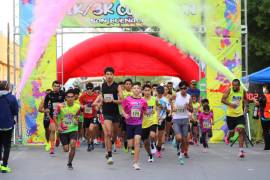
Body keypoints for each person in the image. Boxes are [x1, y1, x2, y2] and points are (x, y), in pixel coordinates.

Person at [96, 67, 123, 165]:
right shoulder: (102, 85)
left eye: (111, 74)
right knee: (108, 133)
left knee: (114, 135)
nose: (109, 76)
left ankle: (111, 144)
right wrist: (100, 103)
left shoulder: (117, 86)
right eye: (107, 74)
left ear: (113, 75)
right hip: (106, 113)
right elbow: (102, 98)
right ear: (105, 75)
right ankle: (110, 155)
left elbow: (122, 100)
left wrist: (113, 101)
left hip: (115, 113)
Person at [122, 82, 148, 170]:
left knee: (137, 142)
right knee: (130, 145)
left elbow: (145, 111)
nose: (136, 89)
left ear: (140, 90)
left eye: (138, 88)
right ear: (132, 90)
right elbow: (123, 110)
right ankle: (128, 145)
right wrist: (125, 115)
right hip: (129, 124)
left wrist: (148, 113)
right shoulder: (127, 99)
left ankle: (136, 162)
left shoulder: (143, 101)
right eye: (134, 88)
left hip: (138, 124)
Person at [54, 89, 81, 170]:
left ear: (74, 98)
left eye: (71, 97)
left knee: (73, 145)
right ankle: (58, 136)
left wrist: (77, 120)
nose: (70, 98)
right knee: (66, 149)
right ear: (65, 98)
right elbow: (54, 116)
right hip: (63, 129)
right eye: (68, 97)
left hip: (73, 128)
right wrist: (58, 126)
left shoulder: (78, 106)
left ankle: (69, 163)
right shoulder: (60, 106)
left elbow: (78, 116)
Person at [221, 79, 248, 158]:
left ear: (239, 85)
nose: (235, 87)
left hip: (239, 115)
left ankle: (241, 151)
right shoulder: (229, 90)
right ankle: (228, 137)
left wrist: (246, 108)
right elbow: (222, 100)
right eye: (234, 85)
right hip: (230, 115)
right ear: (232, 85)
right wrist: (231, 104)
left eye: (237, 85)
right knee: (232, 133)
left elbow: (246, 100)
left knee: (240, 130)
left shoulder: (242, 91)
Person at [171, 81, 193, 165]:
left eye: (185, 88)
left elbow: (191, 109)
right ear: (179, 89)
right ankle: (178, 145)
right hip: (176, 119)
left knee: (185, 138)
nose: (183, 90)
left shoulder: (189, 97)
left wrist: (188, 107)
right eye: (181, 89)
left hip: (185, 119)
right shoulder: (176, 95)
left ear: (187, 88)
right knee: (179, 137)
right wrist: (173, 107)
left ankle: (184, 151)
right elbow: (170, 100)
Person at [0, 80, 19, 173]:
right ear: (8, 88)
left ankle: (0, 162)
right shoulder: (12, 98)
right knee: (7, 145)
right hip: (8, 124)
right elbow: (15, 111)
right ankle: (4, 166)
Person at [44, 80, 65, 155]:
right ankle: (52, 148)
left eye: (58, 86)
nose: (56, 87)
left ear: (60, 87)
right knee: (52, 130)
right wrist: (46, 108)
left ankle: (58, 138)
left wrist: (63, 105)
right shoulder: (49, 94)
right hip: (53, 114)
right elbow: (45, 102)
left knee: (59, 130)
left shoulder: (63, 93)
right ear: (52, 86)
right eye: (55, 86)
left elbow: (67, 100)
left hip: (61, 115)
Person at [142, 84, 158, 162]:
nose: (147, 92)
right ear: (143, 91)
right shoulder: (141, 100)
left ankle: (153, 144)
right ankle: (150, 155)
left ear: (151, 91)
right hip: (144, 122)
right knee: (145, 142)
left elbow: (158, 107)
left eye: (148, 90)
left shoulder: (154, 99)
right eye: (145, 90)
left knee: (152, 135)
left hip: (153, 120)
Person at [79, 82, 98, 152]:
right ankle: (89, 143)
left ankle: (91, 141)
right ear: (86, 89)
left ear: (92, 89)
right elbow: (80, 104)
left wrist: (94, 105)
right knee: (87, 132)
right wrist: (83, 106)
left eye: (90, 88)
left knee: (91, 129)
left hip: (93, 115)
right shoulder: (83, 96)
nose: (89, 90)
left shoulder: (96, 96)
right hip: (86, 116)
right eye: (88, 89)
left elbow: (99, 103)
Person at [156, 86, 170, 158]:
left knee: (160, 137)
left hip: (162, 119)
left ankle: (158, 150)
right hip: (154, 119)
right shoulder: (153, 99)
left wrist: (163, 107)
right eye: (158, 93)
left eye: (161, 93)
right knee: (154, 134)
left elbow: (168, 110)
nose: (159, 95)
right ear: (156, 92)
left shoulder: (165, 100)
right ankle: (153, 146)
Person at [120, 78, 133, 153]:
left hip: (133, 116)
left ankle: (133, 147)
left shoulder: (134, 92)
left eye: (129, 84)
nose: (128, 85)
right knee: (124, 132)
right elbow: (121, 102)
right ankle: (125, 144)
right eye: (126, 84)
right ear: (124, 85)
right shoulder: (122, 93)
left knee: (133, 131)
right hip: (124, 115)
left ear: (131, 85)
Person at [255, 85, 270, 150]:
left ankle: (267, 146)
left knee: (265, 131)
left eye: (265, 88)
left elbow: (258, 104)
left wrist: (254, 100)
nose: (263, 90)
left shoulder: (264, 96)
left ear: (267, 90)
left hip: (265, 116)